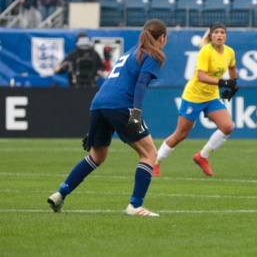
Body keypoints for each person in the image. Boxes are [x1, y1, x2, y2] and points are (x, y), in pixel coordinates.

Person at [47, 19, 168, 217]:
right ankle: (135, 206)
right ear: (162, 37)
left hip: (99, 104)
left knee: (97, 156)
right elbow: (141, 83)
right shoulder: (152, 54)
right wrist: (136, 112)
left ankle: (60, 193)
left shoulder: (131, 51)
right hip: (121, 105)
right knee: (149, 154)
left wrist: (94, 127)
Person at [154, 22, 238, 177]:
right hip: (194, 96)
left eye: (222, 32)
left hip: (211, 96)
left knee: (227, 127)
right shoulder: (206, 51)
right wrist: (223, 82)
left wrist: (233, 86)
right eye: (216, 32)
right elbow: (201, 76)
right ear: (211, 36)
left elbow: (232, 67)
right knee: (180, 134)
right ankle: (155, 162)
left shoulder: (229, 52)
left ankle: (202, 156)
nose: (220, 35)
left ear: (226, 35)